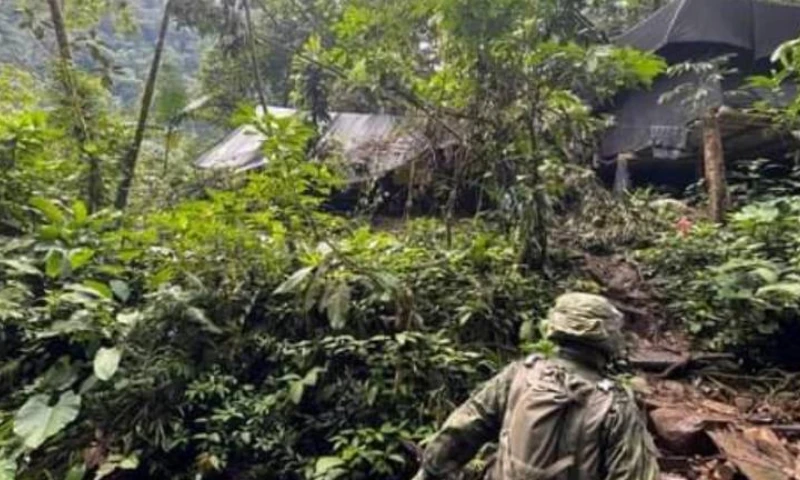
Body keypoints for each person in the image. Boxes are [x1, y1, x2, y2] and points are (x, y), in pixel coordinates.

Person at [412, 292, 660, 480]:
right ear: (608, 337)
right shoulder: (615, 403)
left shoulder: (519, 374)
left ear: (554, 327)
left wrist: (427, 472)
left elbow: (459, 431)